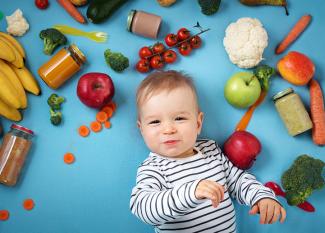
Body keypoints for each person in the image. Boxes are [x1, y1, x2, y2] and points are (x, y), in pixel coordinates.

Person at [130, 70, 286, 233]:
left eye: (179, 118)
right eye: (155, 121)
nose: (168, 129)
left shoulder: (211, 150)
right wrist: (190, 192)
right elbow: (143, 207)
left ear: (198, 123)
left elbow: (238, 181)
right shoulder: (153, 168)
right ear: (142, 130)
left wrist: (262, 196)